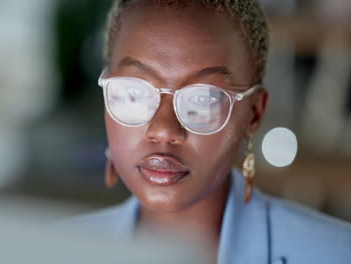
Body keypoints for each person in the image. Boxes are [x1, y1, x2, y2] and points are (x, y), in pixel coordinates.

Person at [63, 1, 351, 263]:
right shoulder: (55, 250)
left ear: (254, 113)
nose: (164, 130)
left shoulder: (335, 252)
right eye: (134, 93)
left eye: (203, 99)